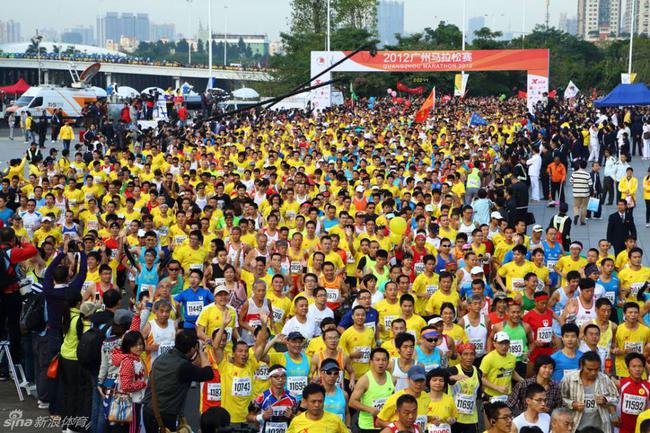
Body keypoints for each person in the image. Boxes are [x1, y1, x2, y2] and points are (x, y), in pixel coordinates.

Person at [142, 330, 214, 433]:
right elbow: (208, 373)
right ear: (192, 348)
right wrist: (201, 352)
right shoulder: (184, 366)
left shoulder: (162, 357)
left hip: (149, 410)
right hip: (165, 415)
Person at [559, 351, 619, 433]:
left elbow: (616, 398)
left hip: (600, 428)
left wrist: (605, 400)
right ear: (582, 366)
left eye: (596, 369)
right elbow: (559, 399)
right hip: (576, 426)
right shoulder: (569, 379)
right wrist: (572, 404)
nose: (593, 372)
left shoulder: (604, 379)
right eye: (589, 369)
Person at [350, 347, 395, 433]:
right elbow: (352, 402)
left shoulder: (391, 378)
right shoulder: (364, 380)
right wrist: (369, 409)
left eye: (384, 360)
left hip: (385, 424)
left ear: (388, 362)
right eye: (377, 360)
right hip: (368, 426)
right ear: (371, 362)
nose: (381, 363)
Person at [247, 364, 298, 433]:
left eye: (283, 376)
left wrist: (292, 416)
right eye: (276, 377)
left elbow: (300, 419)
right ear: (270, 379)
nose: (280, 379)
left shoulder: (293, 398)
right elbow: (248, 418)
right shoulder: (262, 397)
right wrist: (262, 417)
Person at [618, 353, 650, 433]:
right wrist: (614, 416)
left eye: (640, 366)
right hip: (623, 429)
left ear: (643, 368)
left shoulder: (648, 387)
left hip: (641, 429)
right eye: (634, 366)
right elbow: (610, 400)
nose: (637, 369)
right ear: (628, 368)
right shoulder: (620, 384)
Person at [569, 159, 592, 226]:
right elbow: (590, 184)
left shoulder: (574, 173)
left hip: (576, 193)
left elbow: (571, 182)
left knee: (576, 206)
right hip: (585, 193)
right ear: (586, 166)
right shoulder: (587, 174)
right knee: (584, 207)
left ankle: (576, 214)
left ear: (579, 165)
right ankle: (582, 221)